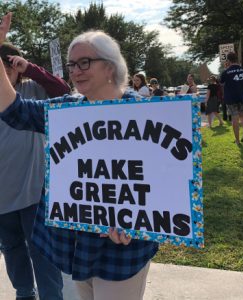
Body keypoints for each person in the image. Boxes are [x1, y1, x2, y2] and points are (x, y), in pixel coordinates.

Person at [0, 13, 158, 300]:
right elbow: (15, 109)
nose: (75, 71)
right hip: (78, 247)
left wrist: (139, 219)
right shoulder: (68, 109)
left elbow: (164, 182)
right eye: (72, 64)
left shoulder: (145, 114)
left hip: (121, 251)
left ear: (110, 66)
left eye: (85, 62)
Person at [0, 41, 70, 299]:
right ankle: (24, 293)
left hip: (34, 189)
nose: (5, 69)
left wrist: (31, 69)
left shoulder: (32, 89)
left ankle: (52, 296)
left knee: (42, 251)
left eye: (9, 63)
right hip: (2, 193)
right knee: (12, 249)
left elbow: (63, 91)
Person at [220, 52, 243, 144]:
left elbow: (221, 82)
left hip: (231, 98)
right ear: (237, 59)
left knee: (235, 118)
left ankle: (237, 140)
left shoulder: (226, 72)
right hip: (242, 96)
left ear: (228, 60)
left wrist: (226, 69)